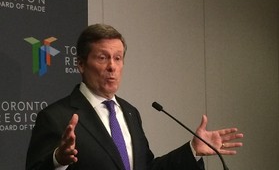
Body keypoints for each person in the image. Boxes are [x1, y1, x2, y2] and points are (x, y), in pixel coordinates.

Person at [26, 24, 243, 170]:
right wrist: (58, 160)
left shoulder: (130, 112)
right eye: (103, 57)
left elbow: (147, 167)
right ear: (81, 64)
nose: (112, 66)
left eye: (118, 58)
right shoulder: (55, 117)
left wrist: (192, 149)